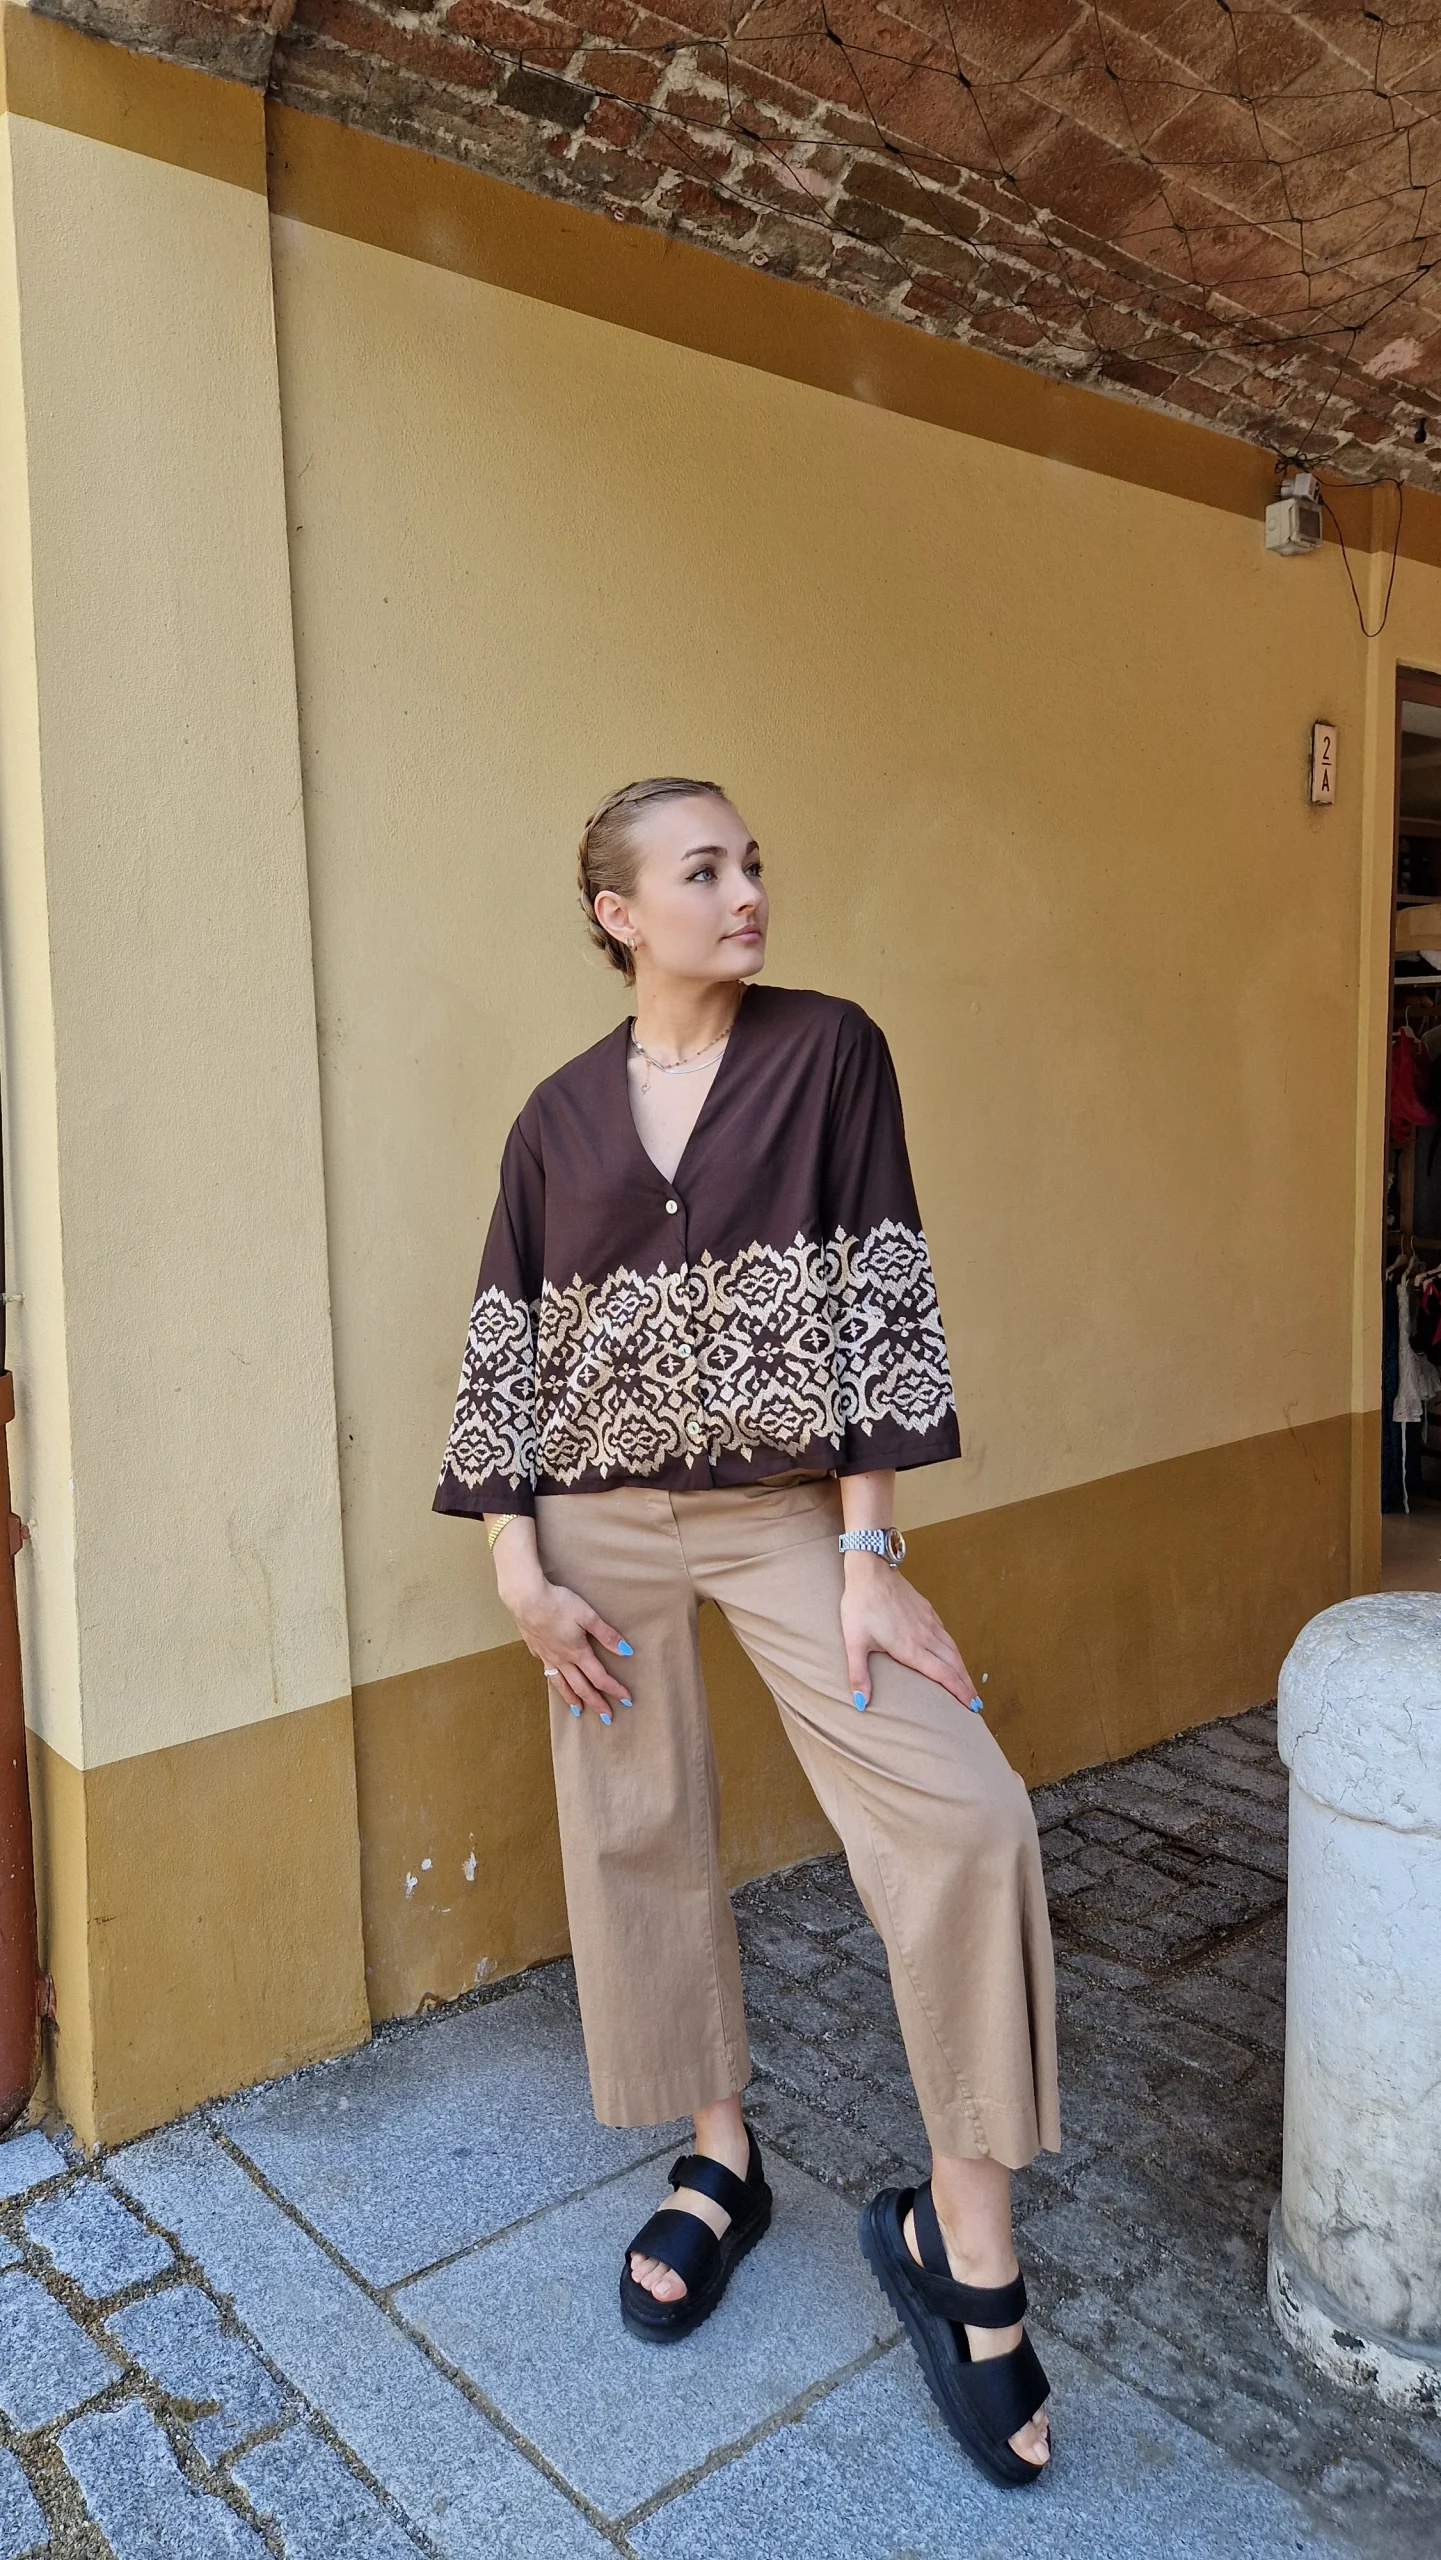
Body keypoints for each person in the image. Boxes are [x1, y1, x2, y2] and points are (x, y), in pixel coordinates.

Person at [435, 777, 1059, 2486]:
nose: (745, 892)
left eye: (752, 863)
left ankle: (963, 2247)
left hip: (788, 1513)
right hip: (593, 1526)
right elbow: (506, 1344)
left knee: (966, 1818)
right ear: (618, 914)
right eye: (702, 870)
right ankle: (720, 2156)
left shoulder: (830, 1054)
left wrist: (869, 1551)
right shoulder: (556, 1119)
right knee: (636, 1826)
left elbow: (878, 1297)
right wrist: (516, 1569)